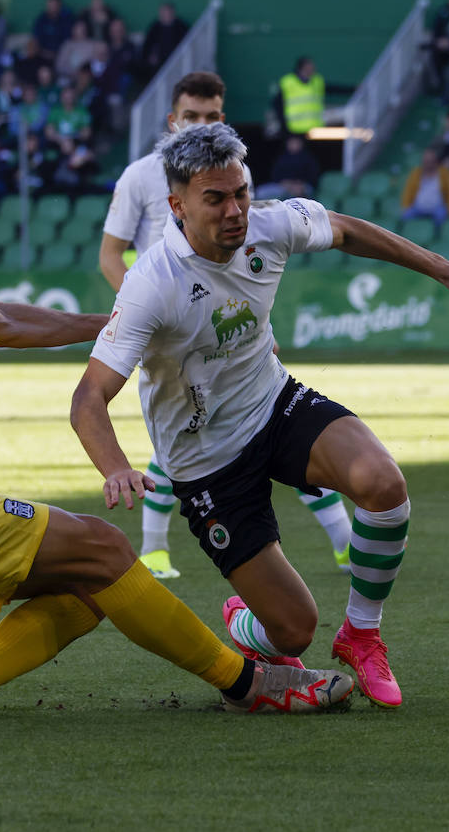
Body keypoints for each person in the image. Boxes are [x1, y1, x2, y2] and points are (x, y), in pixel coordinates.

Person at [0, 119, 351, 720]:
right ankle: (250, 685)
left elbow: (3, 323)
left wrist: (120, 326)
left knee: (93, 586)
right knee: (107, 548)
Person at [70, 123, 449, 709]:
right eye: (216, 199)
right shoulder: (151, 285)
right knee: (292, 633)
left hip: (274, 405)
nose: (235, 211)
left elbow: (348, 230)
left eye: (242, 192)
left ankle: (361, 634)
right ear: (177, 206)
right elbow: (88, 399)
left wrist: (442, 269)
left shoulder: (269, 223)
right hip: (207, 465)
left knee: (383, 485)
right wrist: (115, 467)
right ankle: (247, 626)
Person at [98, 72, 354, 580]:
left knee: (271, 423)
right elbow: (110, 255)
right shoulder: (138, 178)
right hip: (170, 318)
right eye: (191, 116)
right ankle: (154, 549)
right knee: (185, 442)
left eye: (212, 116)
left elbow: (244, 262)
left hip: (226, 320)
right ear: (172, 120)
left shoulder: (232, 174)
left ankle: (345, 542)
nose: (201, 124)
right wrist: (142, 314)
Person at [399, 147, 449, 227]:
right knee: (405, 216)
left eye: (430, 161)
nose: (428, 164)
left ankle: (436, 237)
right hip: (418, 208)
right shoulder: (416, 173)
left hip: (437, 208)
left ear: (436, 162)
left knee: (441, 215)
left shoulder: (445, 174)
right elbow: (408, 191)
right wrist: (406, 206)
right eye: (426, 161)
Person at [255, 134, 322, 200]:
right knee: (261, 191)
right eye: (291, 142)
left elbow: (313, 177)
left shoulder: (308, 158)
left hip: (303, 186)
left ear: (301, 144)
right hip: (284, 186)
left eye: (296, 142)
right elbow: (275, 175)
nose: (293, 145)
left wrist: (300, 184)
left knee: (306, 191)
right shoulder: (282, 157)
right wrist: (285, 183)